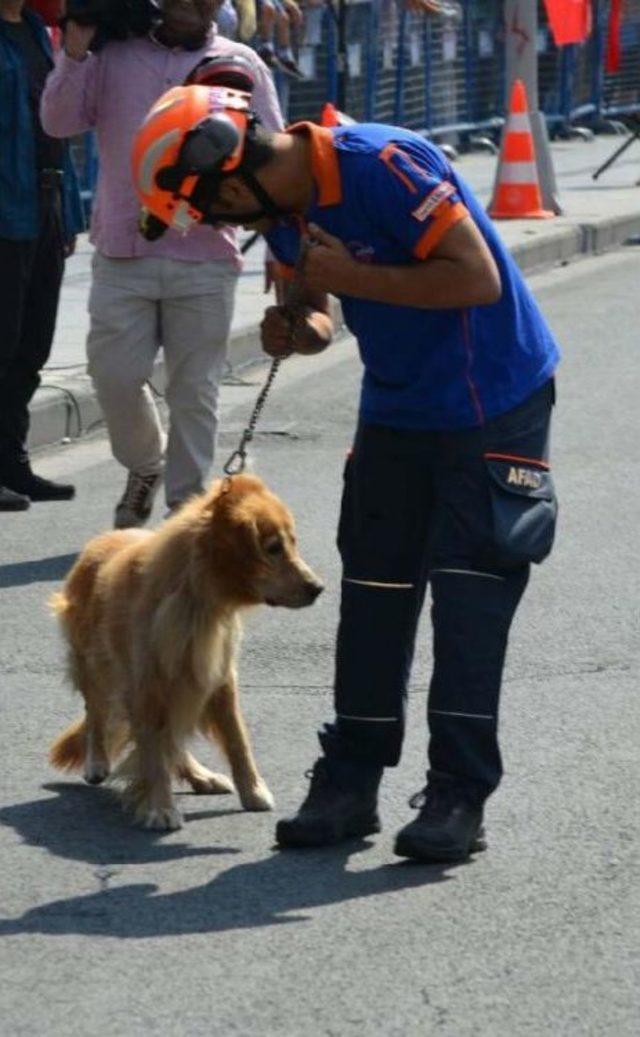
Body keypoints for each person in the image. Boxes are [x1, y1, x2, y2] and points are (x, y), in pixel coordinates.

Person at [131, 88, 560, 863]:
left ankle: (458, 792)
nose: (232, 229)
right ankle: (350, 779)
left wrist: (349, 283)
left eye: (222, 215)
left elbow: (476, 278)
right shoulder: (286, 218)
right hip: (397, 407)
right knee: (374, 595)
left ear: (234, 180)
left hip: (491, 398)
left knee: (469, 600)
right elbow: (323, 309)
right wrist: (300, 327)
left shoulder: (384, 163)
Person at [41, 0, 284, 528]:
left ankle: (186, 512)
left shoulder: (239, 63)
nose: (200, 7)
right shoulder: (112, 56)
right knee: (114, 377)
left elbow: (275, 153)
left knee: (195, 390)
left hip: (205, 255)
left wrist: (279, 243)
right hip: (123, 249)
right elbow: (57, 123)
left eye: (210, 1)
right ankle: (145, 465)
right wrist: (75, 52)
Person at [0, 0, 83, 512]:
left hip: (46, 206)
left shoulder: (35, 28)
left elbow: (56, 128)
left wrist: (69, 212)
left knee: (31, 347)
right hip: (6, 211)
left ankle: (12, 463)